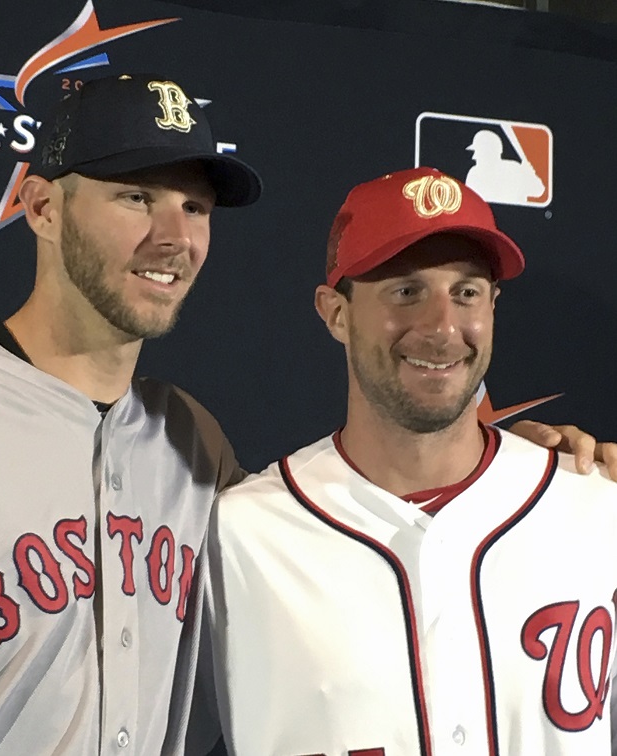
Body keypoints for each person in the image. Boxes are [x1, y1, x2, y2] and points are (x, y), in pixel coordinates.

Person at [0, 77, 608, 755]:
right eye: (135, 197)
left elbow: (352, 534)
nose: (174, 236)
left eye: (194, 207)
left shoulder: (189, 444)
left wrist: (531, 467)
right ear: (43, 207)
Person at [205, 167, 617, 756]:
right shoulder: (241, 535)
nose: (442, 327)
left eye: (467, 292)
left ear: (493, 306)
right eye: (405, 291)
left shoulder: (596, 506)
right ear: (335, 313)